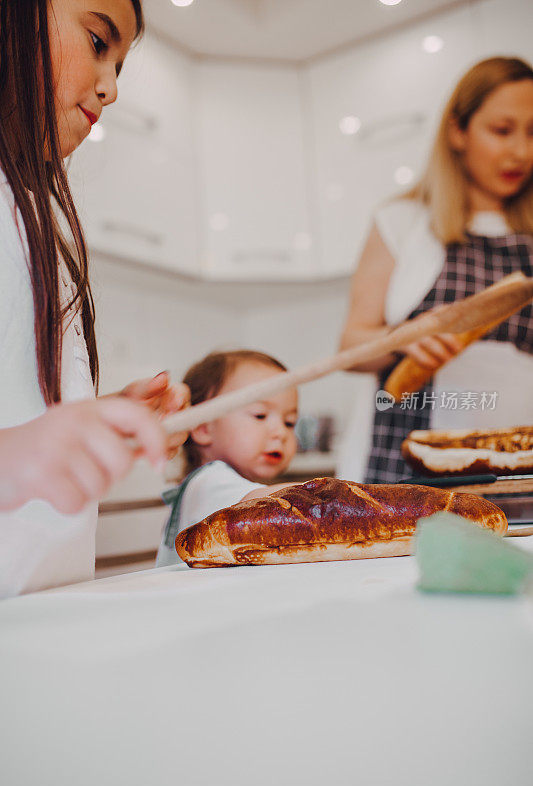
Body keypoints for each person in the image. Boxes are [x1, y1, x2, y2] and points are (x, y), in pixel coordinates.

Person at [0, 0, 189, 598]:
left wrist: (97, 418)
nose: (109, 89)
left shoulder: (23, 205)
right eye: (98, 41)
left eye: (120, 66)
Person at [338, 56, 533, 484]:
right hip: (411, 462)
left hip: (518, 466)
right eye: (502, 131)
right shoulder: (403, 221)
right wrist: (404, 338)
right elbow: (350, 346)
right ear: (458, 131)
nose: (521, 151)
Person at [156, 350, 299, 567]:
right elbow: (277, 503)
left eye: (289, 422)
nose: (281, 432)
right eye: (260, 415)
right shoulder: (209, 482)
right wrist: (333, 491)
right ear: (202, 427)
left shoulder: (221, 484)